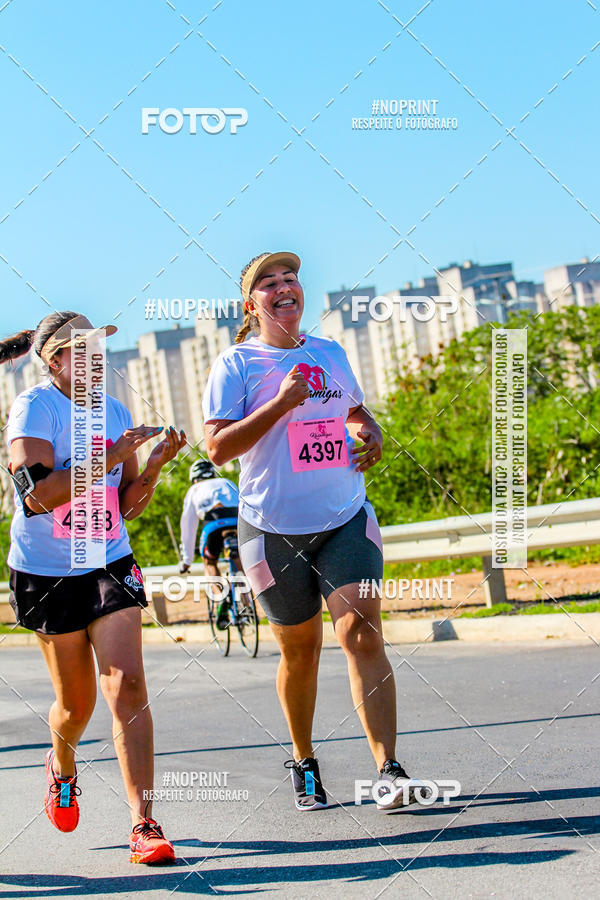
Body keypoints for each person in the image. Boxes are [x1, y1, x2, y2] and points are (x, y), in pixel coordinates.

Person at [202, 252, 423, 811]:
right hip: (270, 530)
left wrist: (370, 432)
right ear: (251, 304)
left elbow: (356, 414)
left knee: (362, 634)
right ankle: (303, 761)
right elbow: (218, 449)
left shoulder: (329, 352)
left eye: (291, 279)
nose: (284, 288)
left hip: (344, 517)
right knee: (300, 651)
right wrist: (281, 404)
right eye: (269, 283)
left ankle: (389, 769)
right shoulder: (236, 363)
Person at [1, 311, 186, 862]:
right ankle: (61, 764)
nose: (97, 359)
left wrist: (152, 467)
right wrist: (113, 454)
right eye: (82, 349)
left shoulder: (114, 411)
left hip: (108, 557)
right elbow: (38, 496)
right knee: (76, 705)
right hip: (47, 570)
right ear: (56, 360)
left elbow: (126, 505)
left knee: (127, 683)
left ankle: (144, 823)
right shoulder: (34, 408)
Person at [178, 458, 240, 628]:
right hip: (237, 521)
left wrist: (187, 560)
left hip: (213, 523)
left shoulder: (194, 490)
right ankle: (247, 605)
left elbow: (188, 527)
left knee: (210, 563)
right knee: (237, 558)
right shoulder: (226, 482)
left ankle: (221, 598)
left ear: (194, 479)